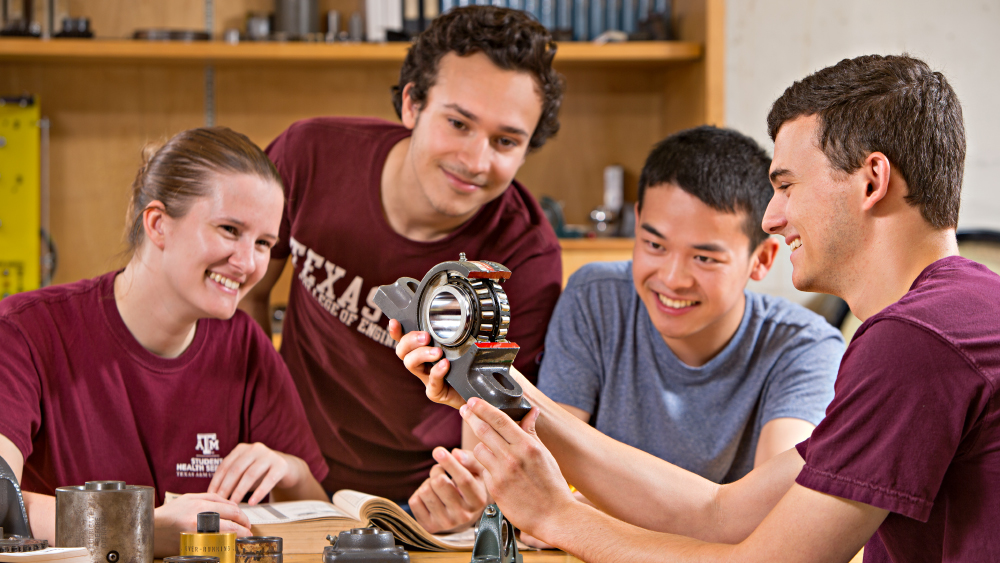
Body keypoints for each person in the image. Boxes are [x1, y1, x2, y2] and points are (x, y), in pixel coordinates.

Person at [394, 54, 1000, 561]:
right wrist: (503, 392)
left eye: (787, 186)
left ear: (871, 182)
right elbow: (723, 513)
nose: (772, 217)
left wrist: (556, 515)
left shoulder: (917, 339)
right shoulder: (955, 315)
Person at [240, 5, 564, 532]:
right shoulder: (308, 154)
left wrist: (467, 492)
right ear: (412, 103)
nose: (476, 160)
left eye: (506, 141)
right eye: (458, 123)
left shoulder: (526, 257)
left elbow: (484, 415)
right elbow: (245, 294)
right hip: (281, 475)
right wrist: (256, 424)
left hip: (416, 507)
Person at [0, 127, 329, 556]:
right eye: (229, 229)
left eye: (264, 243)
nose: (248, 263)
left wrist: (291, 470)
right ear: (157, 224)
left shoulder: (245, 344)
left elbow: (320, 525)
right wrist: (141, 529)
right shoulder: (26, 329)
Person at [538, 126, 841, 485]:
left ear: (761, 259)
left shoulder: (804, 346)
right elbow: (547, 473)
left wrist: (592, 506)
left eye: (704, 258)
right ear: (636, 223)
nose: (673, 278)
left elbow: (774, 510)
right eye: (654, 245)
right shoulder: (595, 298)